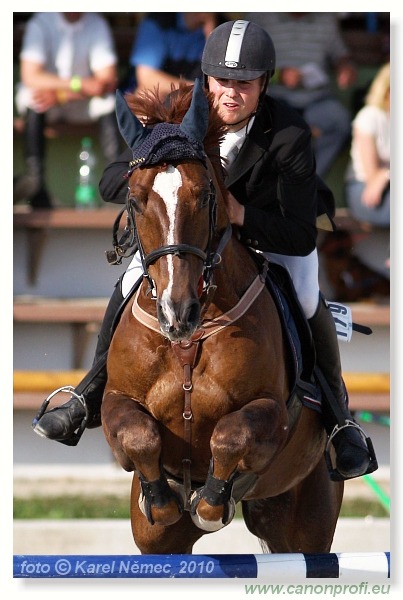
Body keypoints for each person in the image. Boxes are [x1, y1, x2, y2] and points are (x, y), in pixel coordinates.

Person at [33, 20, 375, 481]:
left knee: (308, 293)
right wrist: (149, 166)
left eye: (244, 83)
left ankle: (339, 419)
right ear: (205, 79)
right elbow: (110, 180)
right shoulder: (175, 114)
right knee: (133, 276)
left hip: (271, 236)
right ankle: (88, 394)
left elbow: (297, 234)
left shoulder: (288, 133)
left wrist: (239, 215)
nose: (231, 93)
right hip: (187, 243)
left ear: (264, 83)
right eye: (221, 81)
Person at [14, 12, 122, 208]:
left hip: (79, 103)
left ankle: (114, 184)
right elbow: (31, 76)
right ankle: (35, 181)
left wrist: (62, 94)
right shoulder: (40, 23)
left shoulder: (96, 24)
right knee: (33, 97)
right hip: (49, 102)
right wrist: (78, 85)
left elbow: (105, 81)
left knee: (108, 101)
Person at [245, 12, 357, 179]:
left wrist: (344, 67)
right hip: (275, 98)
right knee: (266, 123)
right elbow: (246, 62)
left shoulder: (326, 19)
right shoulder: (260, 16)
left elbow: (340, 55)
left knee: (340, 120)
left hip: (317, 99)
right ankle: (278, 180)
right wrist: (279, 75)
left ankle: (309, 179)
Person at [128, 12, 227, 99]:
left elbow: (223, 76)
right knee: (147, 96)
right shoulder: (159, 21)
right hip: (169, 95)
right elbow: (147, 78)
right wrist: (197, 89)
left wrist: (212, 35)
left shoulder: (222, 25)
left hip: (199, 97)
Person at [345, 63, 390, 228]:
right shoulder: (369, 116)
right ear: (387, 90)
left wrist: (386, 172)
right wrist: (386, 173)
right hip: (364, 190)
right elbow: (372, 178)